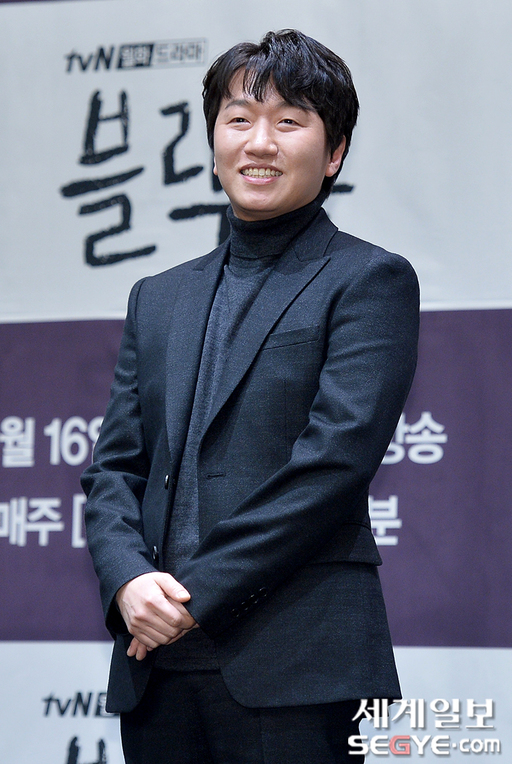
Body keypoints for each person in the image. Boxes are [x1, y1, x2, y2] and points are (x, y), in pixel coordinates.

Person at [82, 29, 419, 764]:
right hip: (155, 666)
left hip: (297, 663)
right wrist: (128, 581)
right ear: (213, 143)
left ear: (334, 153)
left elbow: (332, 465)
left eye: (289, 121)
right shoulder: (157, 297)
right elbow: (114, 468)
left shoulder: (368, 280)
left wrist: (190, 597)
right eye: (239, 119)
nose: (259, 142)